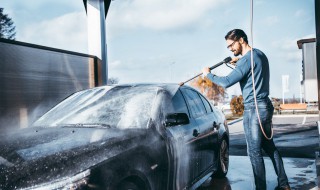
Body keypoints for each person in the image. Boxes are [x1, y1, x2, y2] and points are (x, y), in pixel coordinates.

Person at [202, 29, 290, 190]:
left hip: (253, 109)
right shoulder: (259, 55)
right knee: (270, 147)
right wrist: (240, 63)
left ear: (241, 40)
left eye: (231, 45)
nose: (230, 49)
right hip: (265, 105)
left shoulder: (246, 60)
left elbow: (226, 82)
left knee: (254, 153)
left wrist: (208, 74)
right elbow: (251, 73)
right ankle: (284, 184)